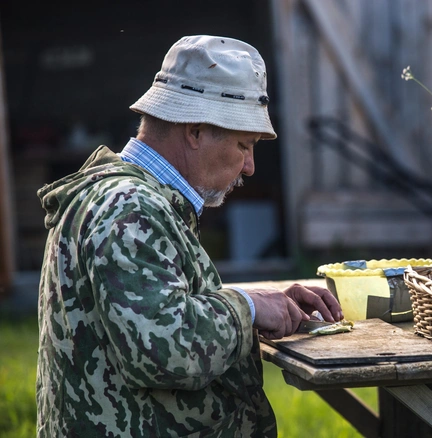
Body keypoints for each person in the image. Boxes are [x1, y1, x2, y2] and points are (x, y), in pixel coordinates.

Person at [36, 35, 343, 437]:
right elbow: (163, 351)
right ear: (195, 131)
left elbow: (159, 309)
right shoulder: (130, 207)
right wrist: (246, 307)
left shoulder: (135, 198)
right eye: (243, 145)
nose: (250, 167)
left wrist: (270, 305)